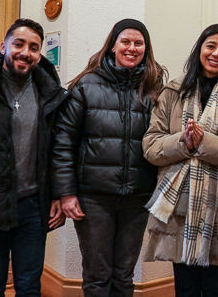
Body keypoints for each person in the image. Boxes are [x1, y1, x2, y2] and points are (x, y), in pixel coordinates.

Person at [142, 23, 218, 296]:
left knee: (214, 287)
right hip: (179, 208)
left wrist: (206, 144)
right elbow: (150, 145)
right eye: (210, 46)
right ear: (199, 48)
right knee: (184, 286)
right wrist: (183, 143)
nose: (216, 54)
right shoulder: (173, 92)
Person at [52, 18, 167, 296]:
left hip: (138, 197)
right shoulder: (86, 86)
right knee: (97, 277)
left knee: (124, 277)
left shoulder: (155, 90)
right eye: (125, 41)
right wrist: (66, 193)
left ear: (146, 48)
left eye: (138, 43)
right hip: (94, 198)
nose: (131, 48)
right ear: (113, 46)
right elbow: (63, 142)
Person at [0, 18, 67, 296]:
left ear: (39, 55)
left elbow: (59, 151)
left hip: (33, 207)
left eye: (33, 47)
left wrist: (59, 195)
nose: (25, 52)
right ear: (3, 45)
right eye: (19, 44)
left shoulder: (51, 95)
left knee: (29, 286)